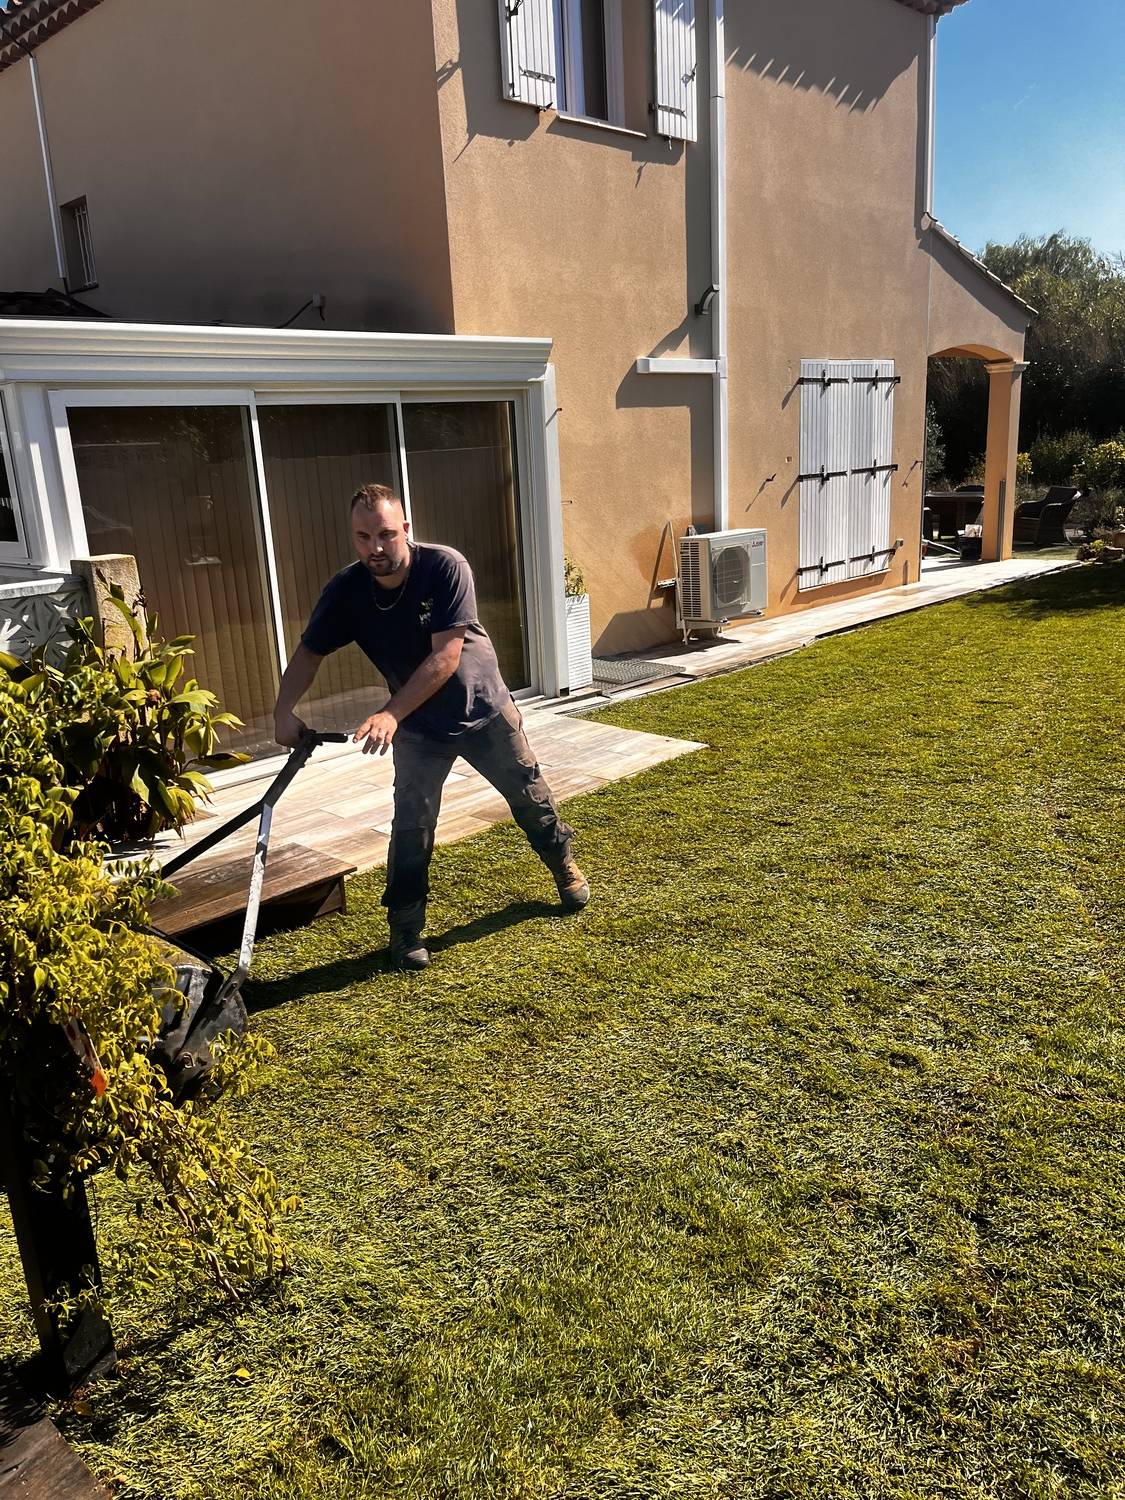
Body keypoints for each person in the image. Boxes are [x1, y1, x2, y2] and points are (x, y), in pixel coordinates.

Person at [273, 483, 589, 970]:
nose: (375, 548)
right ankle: (405, 929)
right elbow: (309, 652)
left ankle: (563, 868)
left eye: (384, 534)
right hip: (421, 729)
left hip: (483, 709)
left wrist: (390, 713)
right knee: (412, 826)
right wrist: (283, 710)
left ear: (405, 529)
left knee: (528, 793)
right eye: (362, 537)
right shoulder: (346, 591)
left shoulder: (444, 566)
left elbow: (445, 657)